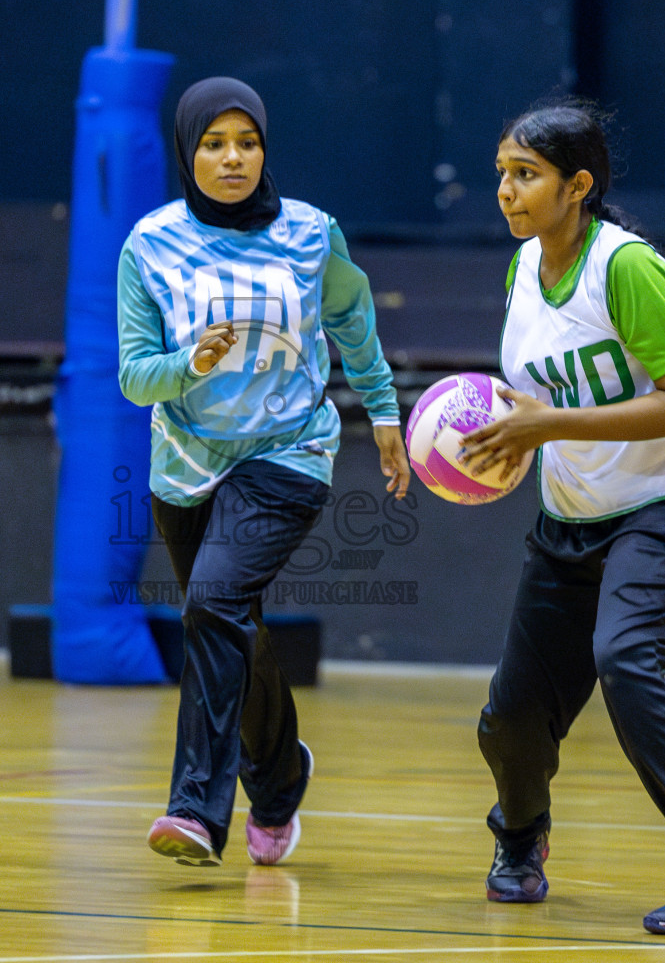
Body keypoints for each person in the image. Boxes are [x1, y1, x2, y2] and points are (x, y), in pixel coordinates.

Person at [457, 100, 665, 935]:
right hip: (572, 515)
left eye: (525, 175)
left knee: (626, 659)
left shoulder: (624, 269)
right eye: (501, 173)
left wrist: (549, 424)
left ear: (579, 185)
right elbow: (545, 396)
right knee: (511, 718)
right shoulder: (524, 268)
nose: (506, 191)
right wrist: (507, 437)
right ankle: (520, 838)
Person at [117, 76, 410, 867]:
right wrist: (187, 363)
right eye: (214, 143)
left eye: (247, 142)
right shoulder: (148, 246)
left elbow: (353, 321)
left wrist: (384, 415)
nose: (233, 157)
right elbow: (135, 376)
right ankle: (281, 780)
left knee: (212, 602)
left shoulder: (313, 234)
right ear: (188, 151)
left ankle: (195, 813)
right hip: (185, 463)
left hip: (289, 452)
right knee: (229, 624)